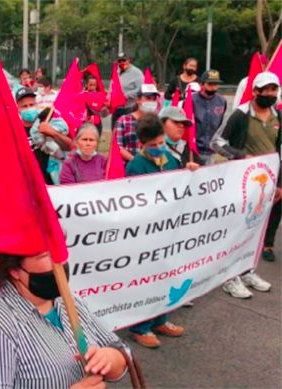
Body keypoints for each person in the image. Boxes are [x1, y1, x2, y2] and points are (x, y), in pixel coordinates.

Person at [0, 252, 130, 388]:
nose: (59, 260)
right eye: (44, 255)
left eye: (58, 249)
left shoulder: (69, 301)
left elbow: (121, 352)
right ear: (15, 271)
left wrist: (111, 359)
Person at [125, 113, 197, 348]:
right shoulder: (135, 166)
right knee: (148, 278)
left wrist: (190, 171)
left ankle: (160, 319)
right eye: (153, 145)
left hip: (170, 229)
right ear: (141, 144)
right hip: (148, 232)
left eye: (161, 142)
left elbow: (179, 184)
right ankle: (140, 326)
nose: (159, 148)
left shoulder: (171, 158)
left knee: (167, 274)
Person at [211, 71, 281, 297]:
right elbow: (217, 142)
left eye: (274, 89)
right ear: (256, 92)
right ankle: (230, 277)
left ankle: (248, 269)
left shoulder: (277, 116)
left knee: (256, 229)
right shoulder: (241, 115)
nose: (270, 94)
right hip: (243, 182)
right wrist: (241, 156)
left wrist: (279, 183)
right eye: (266, 90)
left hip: (268, 183)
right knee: (239, 229)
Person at [16, 87, 73, 185]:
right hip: (27, 184)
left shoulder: (50, 121)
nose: (29, 108)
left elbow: (70, 146)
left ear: (37, 105)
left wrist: (53, 132)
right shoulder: (15, 130)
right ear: (18, 109)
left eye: (31, 105)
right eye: (24, 106)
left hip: (51, 180)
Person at [114, 83, 160, 162]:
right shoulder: (124, 120)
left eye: (154, 99)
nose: (151, 102)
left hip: (151, 168)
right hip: (129, 166)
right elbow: (117, 146)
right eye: (148, 98)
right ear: (138, 100)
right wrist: (136, 161)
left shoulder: (157, 122)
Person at [192, 69, 227, 163]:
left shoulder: (222, 101)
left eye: (216, 84)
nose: (213, 87)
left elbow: (220, 124)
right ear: (202, 84)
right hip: (194, 150)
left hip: (212, 151)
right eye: (210, 84)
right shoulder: (191, 100)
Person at [111, 52, 144, 128]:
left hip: (129, 108)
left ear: (128, 60)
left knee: (127, 131)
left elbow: (141, 89)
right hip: (116, 109)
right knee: (115, 131)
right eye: (120, 61)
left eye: (124, 60)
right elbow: (112, 86)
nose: (122, 63)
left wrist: (127, 95)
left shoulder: (137, 73)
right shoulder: (117, 71)